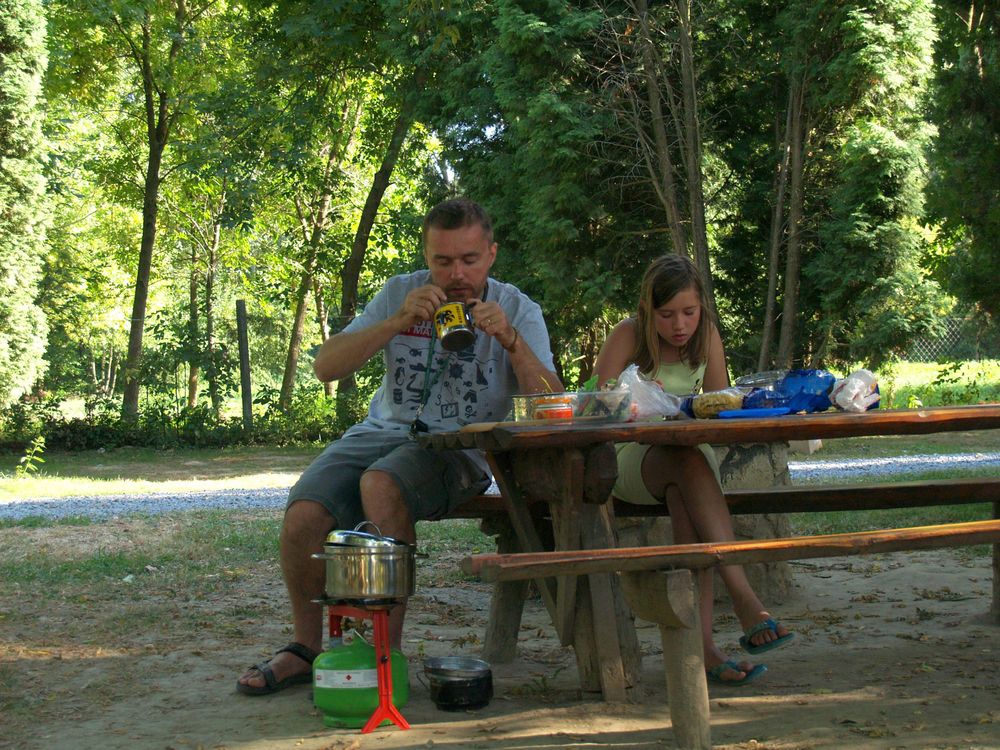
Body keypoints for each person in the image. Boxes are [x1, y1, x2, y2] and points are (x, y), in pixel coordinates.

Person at [237, 198, 562, 695]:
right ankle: (305, 648)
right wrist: (396, 321)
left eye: (469, 260)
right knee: (304, 512)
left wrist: (511, 340)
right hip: (380, 432)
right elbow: (326, 366)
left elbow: (551, 402)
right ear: (426, 256)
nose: (456, 274)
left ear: (492, 254)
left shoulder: (516, 308)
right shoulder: (400, 293)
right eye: (443, 261)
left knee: (381, 484)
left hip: (461, 445)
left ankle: (384, 657)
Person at [593, 254, 793, 686]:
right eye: (666, 315)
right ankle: (743, 596)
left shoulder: (707, 337)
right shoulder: (628, 335)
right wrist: (638, 400)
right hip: (634, 457)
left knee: (689, 501)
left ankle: (701, 650)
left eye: (689, 312)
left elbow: (719, 407)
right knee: (687, 462)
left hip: (689, 460)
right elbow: (597, 408)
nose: (680, 324)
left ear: (702, 306)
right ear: (648, 311)